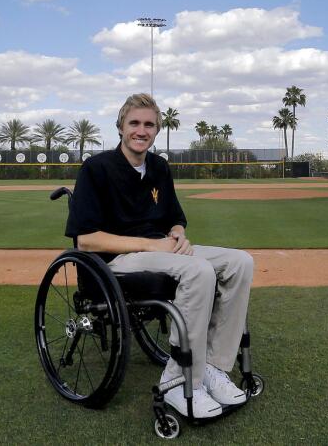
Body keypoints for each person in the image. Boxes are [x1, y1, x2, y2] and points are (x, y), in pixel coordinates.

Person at [65, 93, 254, 419]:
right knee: (199, 271)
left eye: (149, 124)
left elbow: (174, 218)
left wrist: (178, 232)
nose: (142, 130)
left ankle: (212, 367)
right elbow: (85, 240)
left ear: (157, 130)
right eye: (134, 123)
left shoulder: (159, 167)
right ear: (121, 126)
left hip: (164, 251)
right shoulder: (97, 168)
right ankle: (179, 380)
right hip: (117, 260)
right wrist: (152, 245)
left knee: (240, 262)